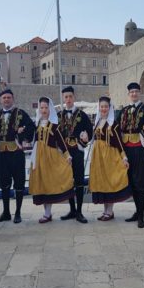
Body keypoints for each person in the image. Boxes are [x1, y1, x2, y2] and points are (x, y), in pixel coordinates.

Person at [115, 82, 144, 228]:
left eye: (136, 91)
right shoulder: (124, 110)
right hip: (126, 151)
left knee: (140, 183)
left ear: (139, 93)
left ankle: (141, 216)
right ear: (128, 94)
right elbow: (115, 127)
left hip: (139, 149)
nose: (134, 94)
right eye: (131, 92)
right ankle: (137, 211)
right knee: (132, 183)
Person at [0, 89, 35, 223]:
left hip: (16, 153)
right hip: (1, 153)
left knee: (19, 183)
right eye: (4, 98)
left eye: (8, 97)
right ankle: (6, 212)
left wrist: (21, 136)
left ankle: (18, 213)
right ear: (0, 100)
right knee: (4, 183)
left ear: (13, 99)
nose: (6, 100)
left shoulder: (21, 113)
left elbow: (31, 126)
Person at [29, 97, 74, 223]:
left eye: (46, 108)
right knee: (42, 184)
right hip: (39, 158)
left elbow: (61, 142)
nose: (43, 110)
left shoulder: (54, 126)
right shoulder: (37, 124)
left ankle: (48, 213)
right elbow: (32, 139)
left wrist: (67, 155)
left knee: (49, 183)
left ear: (50, 109)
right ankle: (46, 213)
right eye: (41, 107)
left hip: (51, 158)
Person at [89, 96, 131, 220]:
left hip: (110, 156)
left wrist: (124, 157)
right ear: (99, 108)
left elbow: (119, 141)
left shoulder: (113, 124)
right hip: (98, 157)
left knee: (110, 181)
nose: (103, 109)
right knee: (102, 183)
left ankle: (110, 211)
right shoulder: (97, 122)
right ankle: (105, 211)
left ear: (109, 108)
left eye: (106, 107)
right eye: (101, 106)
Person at [57, 86, 93, 223]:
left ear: (74, 97)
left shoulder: (82, 115)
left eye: (70, 96)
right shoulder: (59, 116)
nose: (68, 99)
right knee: (68, 181)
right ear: (63, 98)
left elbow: (90, 131)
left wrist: (85, 138)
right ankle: (72, 210)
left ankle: (79, 212)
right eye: (66, 97)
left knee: (79, 181)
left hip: (77, 152)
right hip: (65, 154)